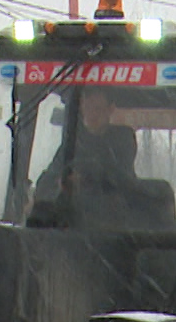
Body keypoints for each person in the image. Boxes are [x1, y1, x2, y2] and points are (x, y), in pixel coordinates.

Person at [32, 87, 138, 226]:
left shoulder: (122, 140)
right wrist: (61, 183)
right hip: (72, 227)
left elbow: (119, 177)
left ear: (110, 109)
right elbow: (46, 182)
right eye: (87, 108)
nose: (91, 115)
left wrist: (86, 178)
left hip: (114, 226)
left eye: (97, 109)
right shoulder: (72, 144)